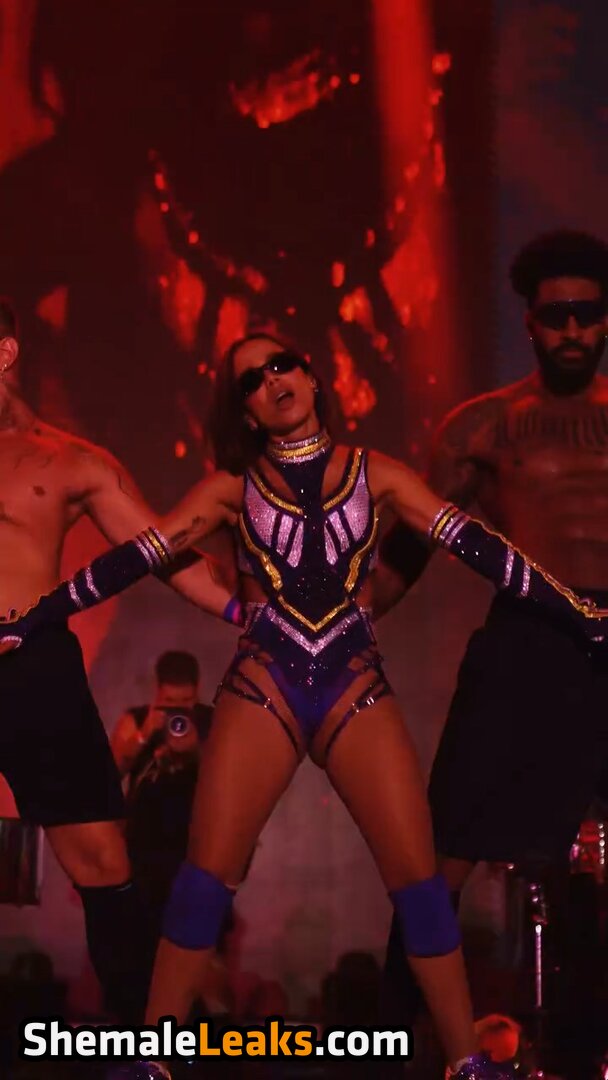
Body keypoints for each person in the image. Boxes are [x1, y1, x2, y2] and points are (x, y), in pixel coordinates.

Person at [5, 332, 608, 1080]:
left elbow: (482, 548)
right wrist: (32, 619)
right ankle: (154, 1061)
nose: (271, 381)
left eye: (281, 365)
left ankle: (465, 1062)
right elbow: (137, 557)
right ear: (246, 411)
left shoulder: (377, 475)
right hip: (264, 685)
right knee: (203, 878)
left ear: (312, 377)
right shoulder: (230, 489)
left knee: (421, 883)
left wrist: (579, 611)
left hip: (354, 684)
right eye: (251, 380)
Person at [378, 231, 608, 1068]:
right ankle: (391, 1037)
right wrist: (341, 621)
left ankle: (584, 1048)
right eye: (557, 315)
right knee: (445, 849)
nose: (573, 329)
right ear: (531, 321)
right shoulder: (481, 425)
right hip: (528, 636)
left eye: (587, 313)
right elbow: (413, 542)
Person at [0, 297, 240, 1023]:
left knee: (101, 862)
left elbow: (161, 551)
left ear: (4, 352)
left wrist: (249, 613)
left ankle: (143, 1048)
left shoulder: (70, 461)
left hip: (30, 663)